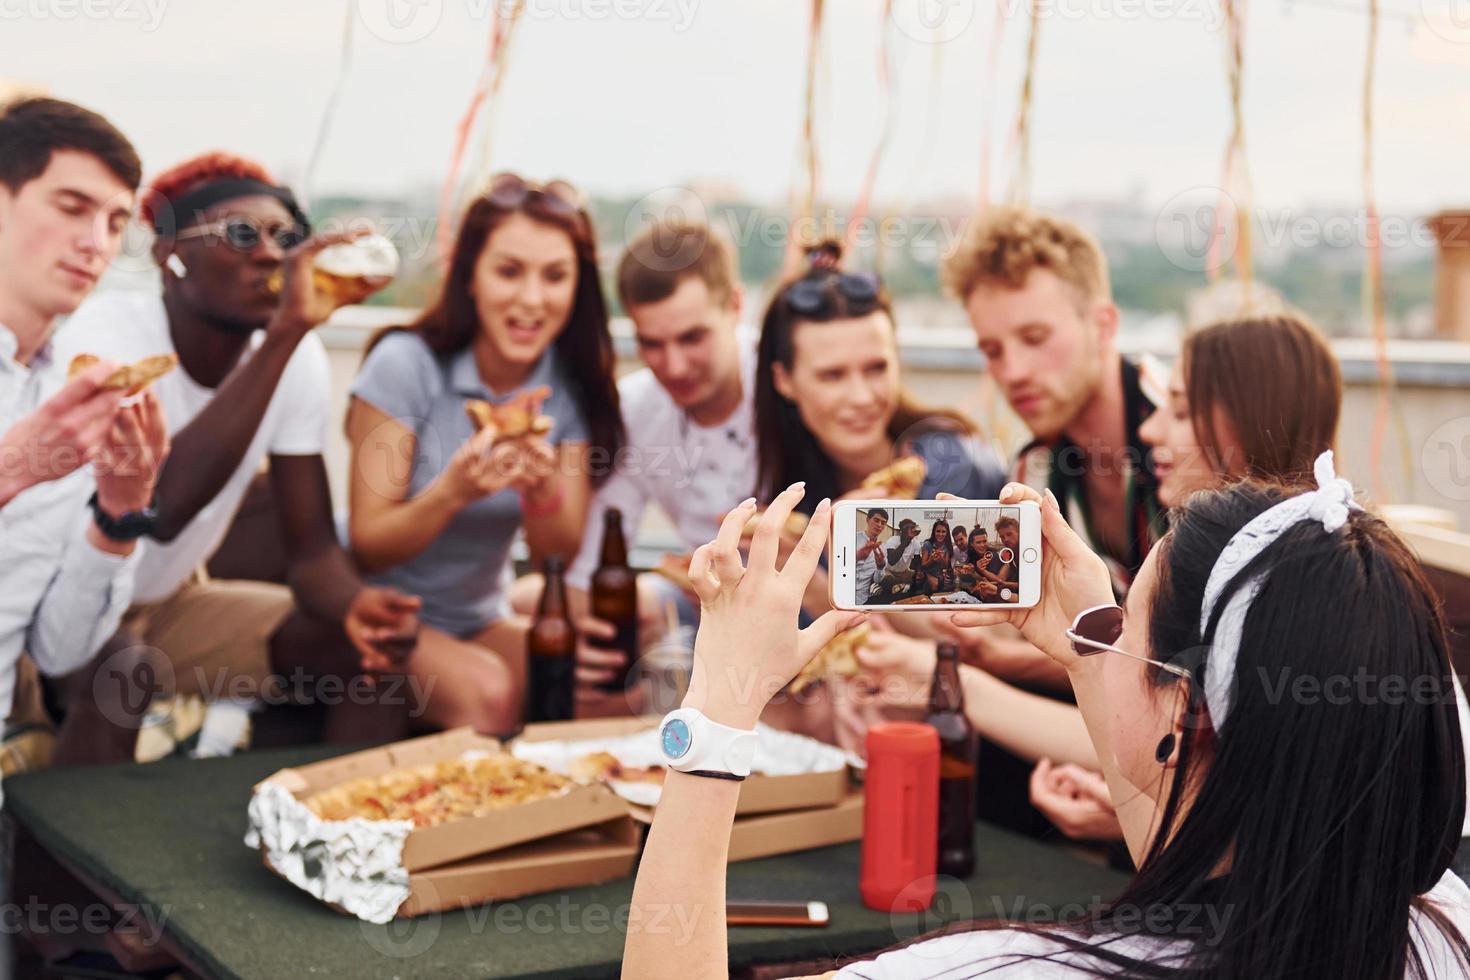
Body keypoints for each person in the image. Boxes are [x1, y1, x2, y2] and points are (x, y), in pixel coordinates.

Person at [623, 473, 1470, 980]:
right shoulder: (1439, 929)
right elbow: (1203, 832)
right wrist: (1086, 649)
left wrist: (719, 708)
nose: (1108, 638)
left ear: (1188, 705)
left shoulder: (1000, 969)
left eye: (1124, 626)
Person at [861, 312, 1351, 846]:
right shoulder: (1246, 556)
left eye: (1181, 410)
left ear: (1257, 422)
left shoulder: (1293, 588)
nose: (1150, 429)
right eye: (991, 350)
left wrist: (953, 680)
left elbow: (1191, 759)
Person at [53, 151, 423, 759]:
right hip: (67, 606)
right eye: (242, 234)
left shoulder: (294, 357)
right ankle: (62, 852)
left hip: (169, 604)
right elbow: (159, 508)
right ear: (169, 255)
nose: (272, 255)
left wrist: (359, 605)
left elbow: (312, 553)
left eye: (287, 238)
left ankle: (336, 826)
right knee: (123, 667)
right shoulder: (108, 338)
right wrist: (281, 338)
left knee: (365, 651)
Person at [346, 174, 623, 735]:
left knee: (599, 691)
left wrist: (542, 491)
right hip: (379, 613)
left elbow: (557, 554)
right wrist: (454, 491)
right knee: (491, 694)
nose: (531, 299)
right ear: (470, 275)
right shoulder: (405, 364)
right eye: (509, 271)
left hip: (478, 616)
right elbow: (369, 544)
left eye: (555, 276)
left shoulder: (567, 389)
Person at [0, 97, 170, 775]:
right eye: (72, 208)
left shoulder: (67, 400)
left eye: (115, 221)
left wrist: (119, 513)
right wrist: (13, 467)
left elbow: (60, 649)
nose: (97, 241)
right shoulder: (51, 428)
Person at [542, 222, 755, 698]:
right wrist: (583, 635)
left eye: (692, 338)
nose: (673, 366)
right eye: (652, 344)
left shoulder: (786, 378)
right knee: (528, 602)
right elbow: (592, 563)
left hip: (803, 603)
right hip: (695, 601)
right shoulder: (635, 408)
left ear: (735, 307)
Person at [753, 242, 1007, 614]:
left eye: (876, 368)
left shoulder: (950, 466)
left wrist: (818, 590)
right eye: (832, 375)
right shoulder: (794, 489)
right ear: (784, 380)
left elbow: (959, 628)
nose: (860, 396)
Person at [942, 206, 1165, 594]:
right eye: (992, 351)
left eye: (1035, 338)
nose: (1012, 372)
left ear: (1103, 326)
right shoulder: (1033, 472)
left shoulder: (1200, 431)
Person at [852, 508, 889, 605]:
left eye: (883, 523)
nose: (879, 525)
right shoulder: (852, 538)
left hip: (863, 600)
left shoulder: (883, 549)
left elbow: (877, 580)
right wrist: (856, 557)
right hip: (843, 594)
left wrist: (880, 566)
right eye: (876, 520)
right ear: (868, 520)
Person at [914, 518, 955, 595]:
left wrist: (941, 559)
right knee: (935, 584)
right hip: (927, 573)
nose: (940, 534)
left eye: (943, 532)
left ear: (947, 533)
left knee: (950, 584)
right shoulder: (927, 544)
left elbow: (945, 565)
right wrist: (931, 560)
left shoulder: (947, 546)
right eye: (938, 531)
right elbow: (923, 565)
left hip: (939, 573)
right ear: (934, 532)